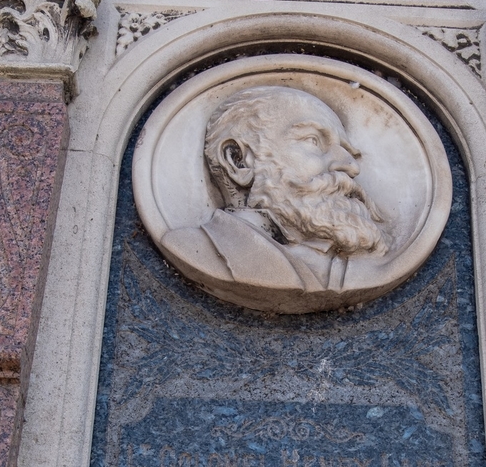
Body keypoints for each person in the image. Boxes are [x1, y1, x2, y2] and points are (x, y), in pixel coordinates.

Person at [154, 85, 389, 311]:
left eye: (348, 152)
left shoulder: (352, 267)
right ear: (238, 160)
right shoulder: (196, 248)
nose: (351, 167)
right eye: (313, 140)